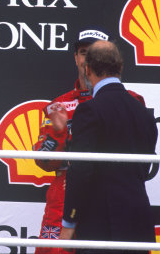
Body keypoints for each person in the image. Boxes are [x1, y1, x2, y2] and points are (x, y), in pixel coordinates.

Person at [32, 28, 145, 253]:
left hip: (111, 197)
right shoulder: (59, 106)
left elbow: (140, 157)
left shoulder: (132, 101)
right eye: (84, 52)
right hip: (64, 198)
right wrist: (59, 132)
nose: (88, 60)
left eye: (94, 53)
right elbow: (44, 162)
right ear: (76, 58)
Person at [59, 40, 157, 253]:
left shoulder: (88, 111)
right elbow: (144, 167)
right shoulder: (144, 114)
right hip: (139, 222)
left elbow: (80, 169)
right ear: (120, 67)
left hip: (102, 224)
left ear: (87, 69)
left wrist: (69, 222)